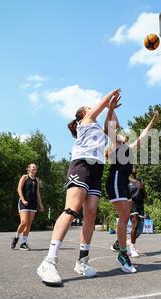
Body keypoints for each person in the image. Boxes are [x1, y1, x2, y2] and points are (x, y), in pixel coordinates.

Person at [37, 88, 121, 286]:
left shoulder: (99, 129)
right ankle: (49, 261)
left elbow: (113, 127)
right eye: (89, 108)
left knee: (91, 213)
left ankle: (82, 261)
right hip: (81, 165)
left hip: (97, 169)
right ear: (82, 114)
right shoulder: (85, 123)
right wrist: (109, 95)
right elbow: (97, 109)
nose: (92, 108)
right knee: (72, 209)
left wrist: (111, 108)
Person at [106, 108, 159, 272]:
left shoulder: (128, 148)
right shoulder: (115, 145)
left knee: (125, 217)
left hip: (124, 185)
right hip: (115, 182)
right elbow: (110, 125)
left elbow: (143, 136)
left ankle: (117, 244)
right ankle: (122, 253)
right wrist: (111, 108)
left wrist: (152, 121)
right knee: (123, 217)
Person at [11, 164, 44, 250]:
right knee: (24, 222)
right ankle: (16, 238)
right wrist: (23, 200)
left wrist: (40, 204)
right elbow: (19, 189)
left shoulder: (37, 179)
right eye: (33, 167)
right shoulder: (25, 177)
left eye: (35, 167)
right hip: (24, 202)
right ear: (29, 169)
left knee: (29, 223)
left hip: (33, 203)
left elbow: (37, 193)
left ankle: (23, 243)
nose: (34, 168)